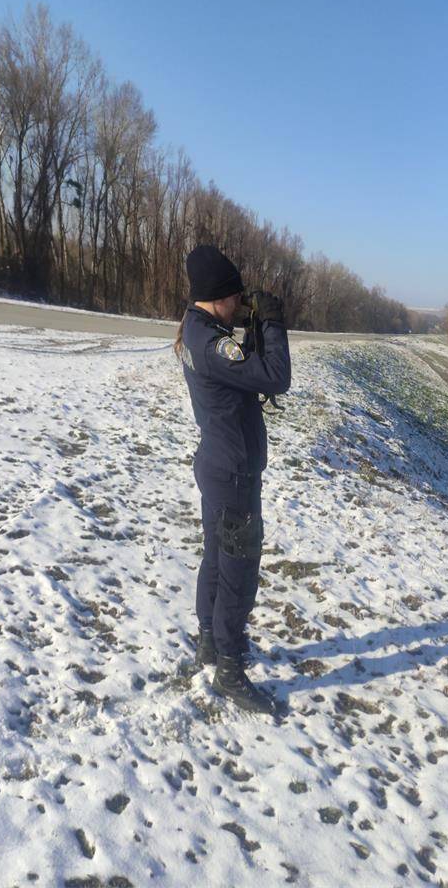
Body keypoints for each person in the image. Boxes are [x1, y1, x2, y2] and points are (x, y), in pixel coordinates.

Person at [174, 244, 291, 714]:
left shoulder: (200, 330)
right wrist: (272, 322)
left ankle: (209, 644)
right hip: (233, 474)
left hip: (218, 465)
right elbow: (276, 376)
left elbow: (250, 377)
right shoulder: (212, 342)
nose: (241, 303)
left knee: (217, 560)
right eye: (237, 296)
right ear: (217, 296)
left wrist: (253, 327)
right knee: (238, 572)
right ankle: (229, 669)